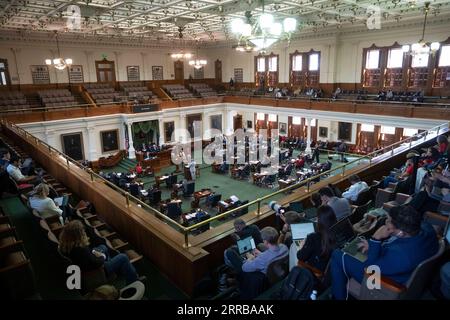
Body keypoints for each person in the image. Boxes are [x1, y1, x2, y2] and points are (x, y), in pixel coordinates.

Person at [330, 205, 439, 300]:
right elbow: (396, 249)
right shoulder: (427, 228)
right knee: (354, 250)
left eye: (388, 220)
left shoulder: (401, 256)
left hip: (383, 282)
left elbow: (371, 269)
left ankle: (338, 296)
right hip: (399, 269)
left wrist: (375, 239)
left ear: (401, 233)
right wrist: (373, 247)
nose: (386, 222)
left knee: (337, 255)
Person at [59, 220, 142, 285]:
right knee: (123, 257)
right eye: (82, 232)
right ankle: (134, 280)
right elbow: (96, 263)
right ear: (78, 235)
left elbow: (87, 257)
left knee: (103, 247)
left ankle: (114, 268)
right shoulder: (81, 249)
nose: (84, 233)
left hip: (87, 264)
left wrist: (93, 252)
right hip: (97, 272)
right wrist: (102, 256)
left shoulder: (66, 245)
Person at [224, 226, 288, 275]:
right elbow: (271, 256)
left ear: (265, 242)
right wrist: (260, 254)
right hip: (277, 273)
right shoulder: (284, 247)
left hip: (259, 275)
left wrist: (249, 258)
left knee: (229, 252)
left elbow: (244, 268)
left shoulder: (262, 259)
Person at [296, 205, 337, 272]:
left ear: (320, 220)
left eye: (317, 217)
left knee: (293, 248)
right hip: (330, 267)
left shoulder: (313, 237)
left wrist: (300, 246)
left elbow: (300, 257)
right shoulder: (337, 230)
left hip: (317, 271)